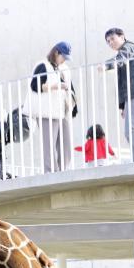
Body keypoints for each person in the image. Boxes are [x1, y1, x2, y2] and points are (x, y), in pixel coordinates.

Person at [99, 27, 134, 161]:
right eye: (108, 41)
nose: (110, 42)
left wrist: (106, 65)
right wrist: (123, 106)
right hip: (132, 95)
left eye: (112, 39)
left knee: (131, 129)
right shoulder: (124, 51)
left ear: (122, 37)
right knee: (130, 131)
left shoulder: (129, 47)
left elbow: (122, 58)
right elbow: (124, 82)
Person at [28, 42, 77, 172]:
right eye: (63, 57)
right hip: (46, 111)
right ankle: (50, 173)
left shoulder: (63, 69)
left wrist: (73, 107)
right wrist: (55, 87)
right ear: (56, 53)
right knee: (48, 145)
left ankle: (62, 172)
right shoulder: (43, 65)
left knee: (66, 145)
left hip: (61, 111)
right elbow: (35, 85)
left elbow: (70, 88)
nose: (64, 60)